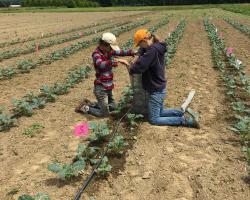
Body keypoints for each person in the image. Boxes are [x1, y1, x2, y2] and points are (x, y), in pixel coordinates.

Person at [126, 29, 200, 128]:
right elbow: (143, 50)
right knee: (160, 112)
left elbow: (140, 67)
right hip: (160, 87)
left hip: (155, 90)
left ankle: (186, 120)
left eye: (139, 44)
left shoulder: (152, 51)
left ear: (144, 40)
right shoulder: (157, 46)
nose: (140, 47)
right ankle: (181, 112)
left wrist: (130, 67)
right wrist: (139, 53)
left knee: (154, 119)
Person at [75, 32, 135, 117]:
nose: (112, 50)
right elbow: (100, 64)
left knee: (113, 108)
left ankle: (91, 103)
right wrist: (116, 61)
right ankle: (84, 108)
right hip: (101, 88)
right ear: (104, 45)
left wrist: (134, 52)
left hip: (108, 86)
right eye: (110, 47)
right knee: (105, 114)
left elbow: (121, 52)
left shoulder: (109, 51)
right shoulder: (96, 54)